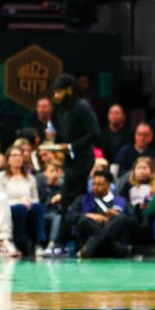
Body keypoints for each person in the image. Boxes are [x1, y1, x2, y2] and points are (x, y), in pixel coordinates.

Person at [49, 73, 101, 254]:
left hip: (83, 161)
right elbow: (62, 134)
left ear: (69, 90)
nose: (55, 96)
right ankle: (64, 243)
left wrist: (71, 147)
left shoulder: (82, 107)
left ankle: (59, 243)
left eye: (58, 92)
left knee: (67, 201)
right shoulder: (61, 110)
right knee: (69, 202)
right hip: (70, 161)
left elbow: (94, 133)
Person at [67, 170, 135, 258]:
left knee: (120, 219)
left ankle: (90, 246)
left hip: (94, 248)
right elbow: (69, 218)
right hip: (112, 246)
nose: (95, 187)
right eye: (93, 184)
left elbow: (134, 221)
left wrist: (117, 216)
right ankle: (119, 249)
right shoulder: (82, 199)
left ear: (108, 185)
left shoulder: (121, 200)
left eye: (99, 184)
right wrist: (89, 215)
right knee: (83, 220)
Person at [0, 146, 45, 255]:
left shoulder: (30, 178)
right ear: (8, 160)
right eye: (14, 155)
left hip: (27, 205)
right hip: (8, 207)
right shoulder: (0, 177)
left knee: (38, 207)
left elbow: (36, 199)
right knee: (20, 209)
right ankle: (19, 243)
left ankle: (39, 244)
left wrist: (28, 200)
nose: (18, 158)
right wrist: (19, 201)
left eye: (20, 155)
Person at [37, 160, 63, 256]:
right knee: (57, 217)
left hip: (57, 213)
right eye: (52, 171)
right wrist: (51, 201)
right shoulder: (40, 185)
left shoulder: (62, 187)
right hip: (44, 213)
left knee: (59, 217)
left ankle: (55, 245)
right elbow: (38, 203)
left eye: (57, 171)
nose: (55, 174)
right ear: (45, 173)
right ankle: (48, 244)